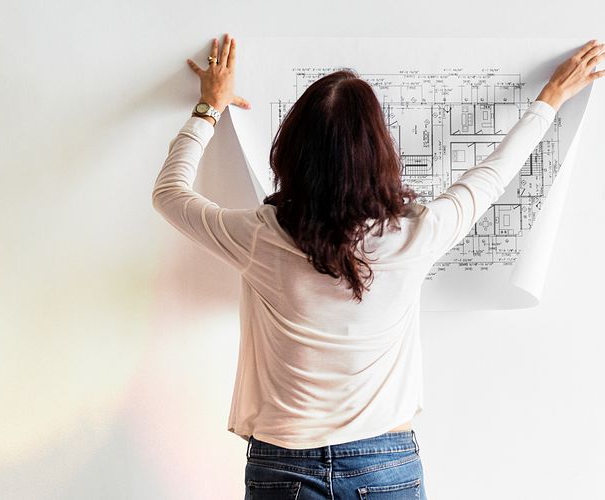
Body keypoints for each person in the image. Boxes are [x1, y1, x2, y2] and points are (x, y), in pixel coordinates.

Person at [152, 34, 604, 500]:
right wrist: (549, 98)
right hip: (384, 465)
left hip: (282, 464)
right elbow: (492, 174)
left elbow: (169, 194)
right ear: (379, 154)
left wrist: (208, 107)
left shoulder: (259, 237)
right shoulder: (417, 234)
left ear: (292, 152)